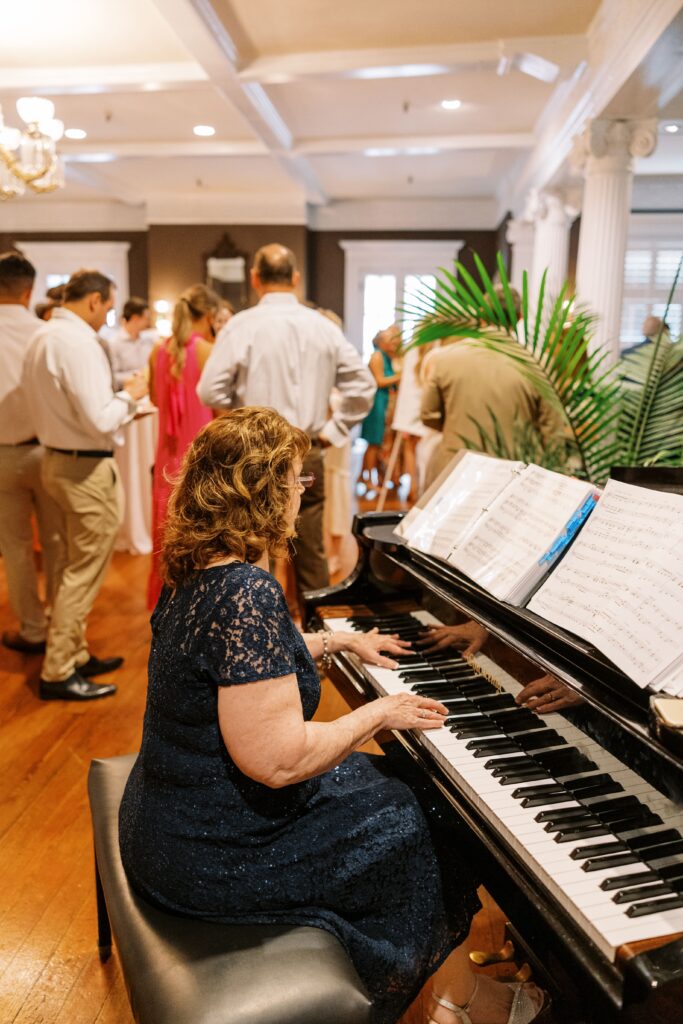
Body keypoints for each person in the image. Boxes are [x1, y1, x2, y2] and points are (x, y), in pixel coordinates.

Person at [119, 408, 545, 1024]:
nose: (300, 493)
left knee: (414, 791)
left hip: (170, 814)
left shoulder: (195, 565)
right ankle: (455, 1001)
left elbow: (237, 672)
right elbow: (279, 760)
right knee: (432, 816)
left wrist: (336, 642)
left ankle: (457, 989)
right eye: (295, 480)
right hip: (215, 850)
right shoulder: (247, 593)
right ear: (260, 492)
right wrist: (380, 711)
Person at [197, 243, 376, 598]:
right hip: (305, 448)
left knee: (254, 548)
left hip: (253, 452)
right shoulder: (322, 326)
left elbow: (209, 391)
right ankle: (318, 635)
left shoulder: (241, 326)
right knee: (311, 550)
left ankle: (258, 633)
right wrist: (332, 431)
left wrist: (243, 414)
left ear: (255, 278)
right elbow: (363, 386)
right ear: (295, 279)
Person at [23, 268, 148, 701]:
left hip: (56, 459)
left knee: (66, 566)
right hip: (85, 469)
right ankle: (58, 669)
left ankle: (73, 652)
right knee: (83, 570)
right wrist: (131, 396)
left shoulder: (43, 335)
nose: (107, 317)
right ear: (93, 300)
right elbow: (99, 418)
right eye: (108, 308)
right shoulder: (76, 342)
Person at [420, 288, 564, 488]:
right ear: (520, 317)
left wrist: (458, 423)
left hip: (456, 469)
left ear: (481, 314)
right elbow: (552, 429)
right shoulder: (538, 363)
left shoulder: (445, 358)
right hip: (512, 473)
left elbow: (428, 414)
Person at [0, 252, 62, 655]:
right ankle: (60, 624)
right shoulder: (46, 333)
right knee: (57, 541)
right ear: (29, 290)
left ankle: (33, 629)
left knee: (16, 547)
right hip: (47, 451)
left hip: (1, 455)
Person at [147, 283, 220, 608]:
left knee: (167, 529)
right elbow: (221, 408)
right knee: (201, 532)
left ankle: (168, 602)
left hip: (166, 454)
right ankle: (198, 604)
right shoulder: (206, 350)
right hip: (200, 455)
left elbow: (152, 398)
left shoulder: (156, 352)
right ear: (207, 316)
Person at [359, 325, 402, 491]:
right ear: (380, 342)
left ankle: (365, 477)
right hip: (377, 402)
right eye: (389, 339)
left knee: (376, 442)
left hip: (383, 401)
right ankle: (369, 480)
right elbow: (379, 381)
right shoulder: (377, 357)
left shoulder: (386, 357)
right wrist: (400, 376)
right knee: (373, 443)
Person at [104, 297, 156, 389]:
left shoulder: (149, 340)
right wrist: (137, 375)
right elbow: (112, 376)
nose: (148, 322)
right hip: (127, 394)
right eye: (146, 318)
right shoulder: (114, 343)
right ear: (135, 318)